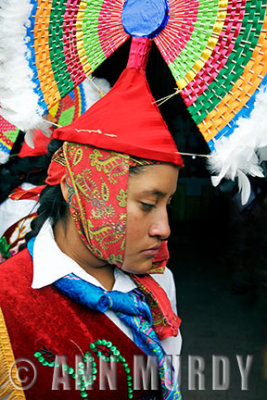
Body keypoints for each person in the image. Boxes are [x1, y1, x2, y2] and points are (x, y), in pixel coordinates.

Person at [0, 38, 183, 400]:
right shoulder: (8, 296)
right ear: (76, 190)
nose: (164, 228)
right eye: (147, 204)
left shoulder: (159, 285)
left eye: (168, 204)